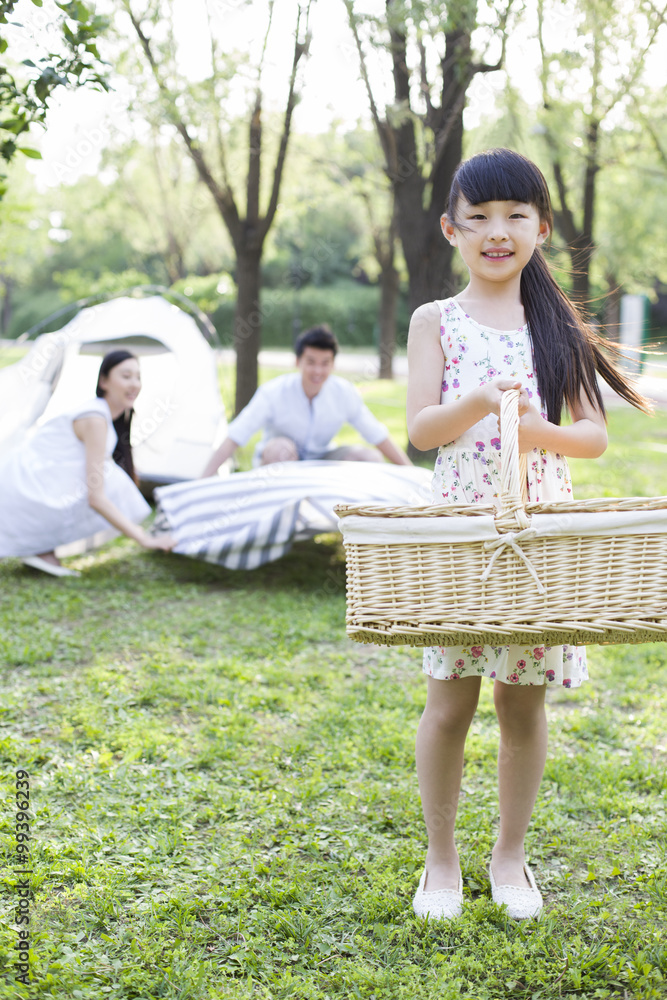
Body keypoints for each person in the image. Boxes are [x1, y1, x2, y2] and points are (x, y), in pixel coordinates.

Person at [406, 148, 651, 921]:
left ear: (541, 228)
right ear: (450, 230)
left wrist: (534, 430)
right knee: (448, 701)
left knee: (522, 704)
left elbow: (591, 437)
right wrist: (480, 401)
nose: (495, 231)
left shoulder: (555, 327)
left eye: (513, 215)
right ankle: (438, 862)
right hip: (466, 534)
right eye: (476, 218)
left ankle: (508, 857)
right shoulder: (434, 322)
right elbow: (419, 430)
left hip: (538, 535)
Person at [0, 349, 174, 577]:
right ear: (104, 381)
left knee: (109, 477)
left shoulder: (103, 416)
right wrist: (145, 539)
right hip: (19, 491)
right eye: (126, 376)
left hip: (24, 488)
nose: (134, 384)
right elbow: (96, 497)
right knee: (111, 481)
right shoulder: (95, 419)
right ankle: (39, 545)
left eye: (137, 377)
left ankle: (41, 547)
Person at [201, 325, 411, 476]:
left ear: (333, 364)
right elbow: (236, 436)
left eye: (325, 363)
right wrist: (203, 480)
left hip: (322, 461)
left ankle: (345, 517)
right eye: (311, 362)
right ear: (298, 361)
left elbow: (378, 436)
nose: (318, 371)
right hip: (278, 462)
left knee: (370, 458)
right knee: (280, 450)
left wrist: (411, 473)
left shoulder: (343, 392)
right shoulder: (273, 392)